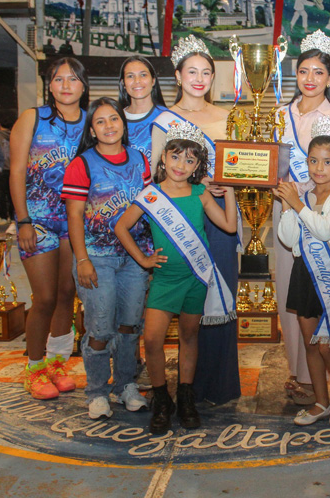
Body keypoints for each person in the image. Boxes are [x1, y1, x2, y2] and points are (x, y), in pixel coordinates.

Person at [115, 121, 238, 433]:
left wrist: (230, 191)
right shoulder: (151, 195)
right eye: (175, 156)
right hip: (165, 279)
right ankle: (161, 399)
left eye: (189, 160)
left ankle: (185, 397)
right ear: (163, 158)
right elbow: (121, 226)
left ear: (197, 166)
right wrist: (143, 259)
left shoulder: (200, 194)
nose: (181, 164)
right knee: (152, 339)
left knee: (189, 336)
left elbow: (229, 226)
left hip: (195, 278)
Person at [150, 35, 241, 405]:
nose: (199, 79)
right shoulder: (163, 121)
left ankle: (218, 385)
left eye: (206, 72)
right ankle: (187, 385)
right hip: (182, 220)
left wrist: (228, 183)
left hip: (220, 217)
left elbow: (238, 168)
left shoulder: (227, 117)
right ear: (178, 75)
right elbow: (156, 176)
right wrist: (197, 183)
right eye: (192, 72)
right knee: (189, 304)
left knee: (221, 297)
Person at [273, 29, 330, 406]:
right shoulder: (279, 115)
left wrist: (305, 194)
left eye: (319, 72)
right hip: (286, 208)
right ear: (296, 73)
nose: (310, 78)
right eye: (304, 71)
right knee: (290, 295)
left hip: (322, 212)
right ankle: (298, 370)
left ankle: (316, 381)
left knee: (319, 291)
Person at [63, 98, 152, 420]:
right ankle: (97, 391)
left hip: (133, 258)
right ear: (91, 130)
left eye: (114, 119)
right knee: (100, 329)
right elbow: (74, 216)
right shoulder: (82, 164)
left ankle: (126, 385)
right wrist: (82, 260)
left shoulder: (139, 160)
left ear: (123, 124)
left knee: (130, 326)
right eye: (100, 121)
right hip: (97, 258)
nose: (108, 126)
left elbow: (150, 207)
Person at [9, 57, 88, 400]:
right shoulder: (33, 118)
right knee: (44, 298)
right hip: (38, 221)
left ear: (84, 85)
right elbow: (16, 171)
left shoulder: (92, 122)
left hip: (75, 222)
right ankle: (34, 368)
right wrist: (23, 220)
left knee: (67, 295)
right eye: (59, 79)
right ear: (49, 84)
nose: (66, 85)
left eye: (73, 79)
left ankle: (58, 363)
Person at [119, 55, 168, 164]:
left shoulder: (167, 118)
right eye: (130, 76)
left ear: (153, 80)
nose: (137, 81)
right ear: (123, 83)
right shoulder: (115, 119)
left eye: (143, 75)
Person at [0, 119, 14, 232]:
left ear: (0, 125)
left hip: (1, 168)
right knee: (12, 194)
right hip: (14, 168)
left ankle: (3, 216)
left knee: (0, 193)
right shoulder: (15, 134)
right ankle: (13, 216)